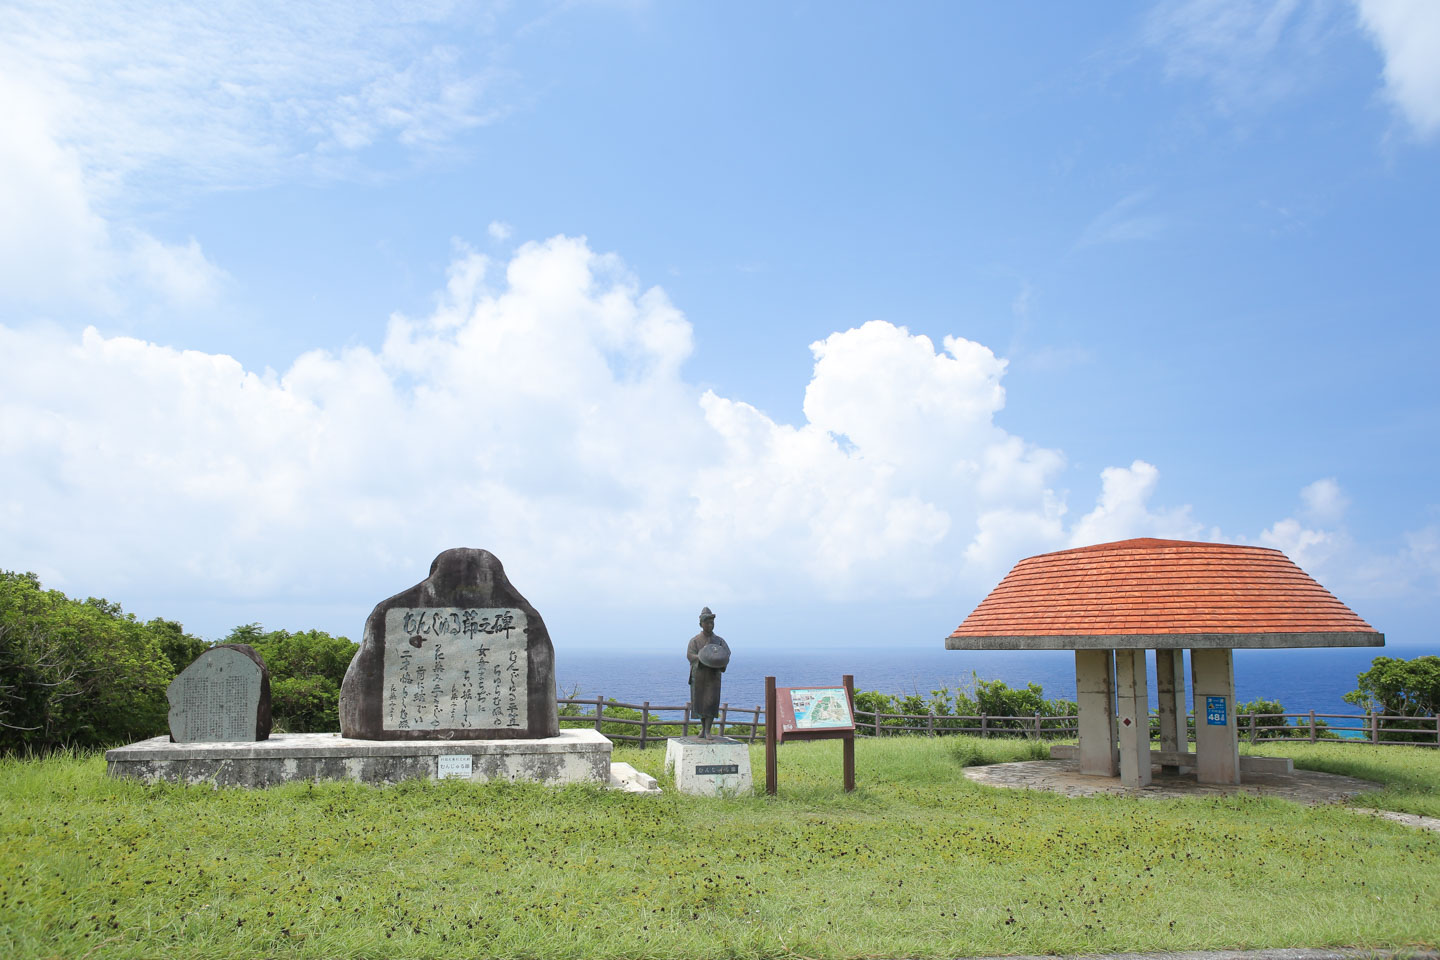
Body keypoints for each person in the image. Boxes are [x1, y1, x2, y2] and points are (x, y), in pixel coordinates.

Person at [686, 607, 730, 739]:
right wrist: (702, 658)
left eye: (712, 623)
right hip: (699, 675)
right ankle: (703, 728)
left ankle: (708, 730)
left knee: (711, 702)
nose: (710, 625)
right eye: (707, 623)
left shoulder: (719, 641)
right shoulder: (695, 640)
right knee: (699, 702)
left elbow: (726, 653)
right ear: (701, 624)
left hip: (713, 676)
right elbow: (690, 654)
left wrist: (718, 661)